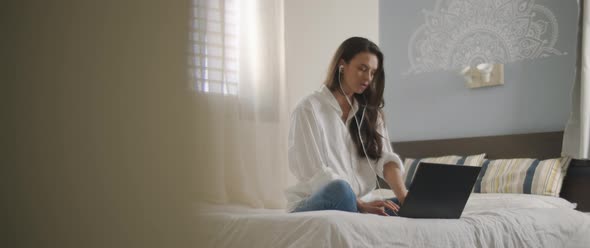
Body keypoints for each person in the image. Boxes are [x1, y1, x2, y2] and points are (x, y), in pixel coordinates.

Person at [285, 37, 408, 216]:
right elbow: (314, 172)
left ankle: (366, 209)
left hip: (362, 202)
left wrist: (403, 196)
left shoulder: (371, 114)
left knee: (410, 204)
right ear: (342, 66)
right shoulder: (309, 108)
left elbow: (386, 159)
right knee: (341, 189)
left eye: (373, 72)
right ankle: (358, 209)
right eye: (362, 69)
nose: (368, 78)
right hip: (322, 199)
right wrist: (356, 203)